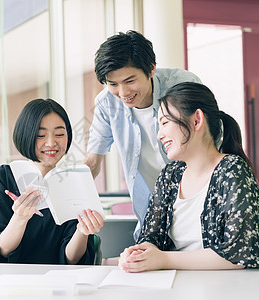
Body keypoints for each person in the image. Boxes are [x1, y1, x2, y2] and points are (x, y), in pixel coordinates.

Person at [118, 82, 259, 272]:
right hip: (174, 287)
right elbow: (151, 237)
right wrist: (139, 253)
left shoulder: (231, 170)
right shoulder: (170, 176)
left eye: (165, 122)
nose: (159, 135)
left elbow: (239, 254)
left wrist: (164, 260)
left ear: (197, 120)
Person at [83, 30, 201, 239]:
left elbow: (209, 145)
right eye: (112, 84)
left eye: (130, 81)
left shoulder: (181, 85)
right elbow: (93, 161)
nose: (123, 93)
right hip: (151, 213)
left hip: (195, 200)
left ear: (151, 69)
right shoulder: (106, 103)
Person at [0, 98, 104, 264]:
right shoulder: (1, 180)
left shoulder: (74, 181)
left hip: (60, 282)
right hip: (12, 281)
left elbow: (72, 259)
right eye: (40, 135)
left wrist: (82, 232)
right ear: (26, 135)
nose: (51, 143)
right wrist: (20, 218)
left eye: (60, 134)